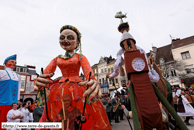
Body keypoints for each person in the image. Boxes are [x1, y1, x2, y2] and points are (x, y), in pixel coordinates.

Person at [34, 25, 112, 130]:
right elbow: (46, 74)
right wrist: (40, 81)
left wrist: (93, 82)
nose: (65, 40)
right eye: (62, 38)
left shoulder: (80, 57)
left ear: (77, 42)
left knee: (80, 117)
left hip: (77, 89)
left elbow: (89, 75)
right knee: (61, 117)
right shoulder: (57, 59)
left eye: (70, 37)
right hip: (60, 90)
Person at [0, 54, 21, 130]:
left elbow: (18, 88)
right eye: (11, 61)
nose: (14, 64)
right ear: (6, 62)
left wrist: (18, 100)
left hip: (13, 104)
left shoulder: (18, 76)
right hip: (3, 103)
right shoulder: (1, 72)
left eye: (15, 62)